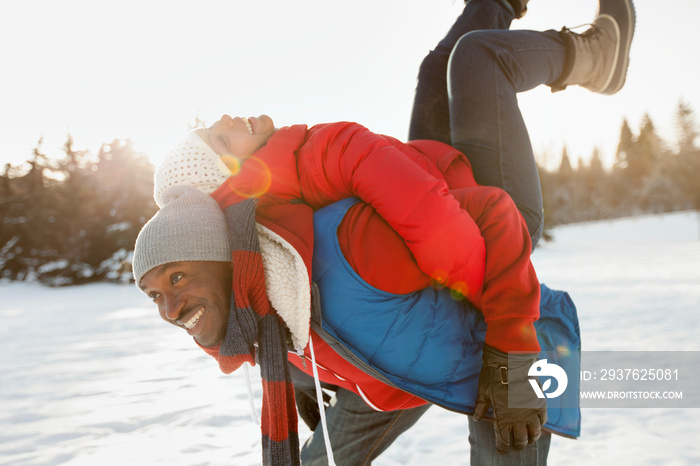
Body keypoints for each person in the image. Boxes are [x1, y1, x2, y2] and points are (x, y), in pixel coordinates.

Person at [132, 0, 633, 464]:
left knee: (454, 65)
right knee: (472, 61)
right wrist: (311, 378)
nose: (226, 116)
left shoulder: (302, 179)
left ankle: (571, 42)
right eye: (220, 137)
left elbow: (460, 237)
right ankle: (559, 36)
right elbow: (282, 310)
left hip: (477, 228)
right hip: (454, 212)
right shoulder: (269, 235)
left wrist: (512, 346)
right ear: (232, 181)